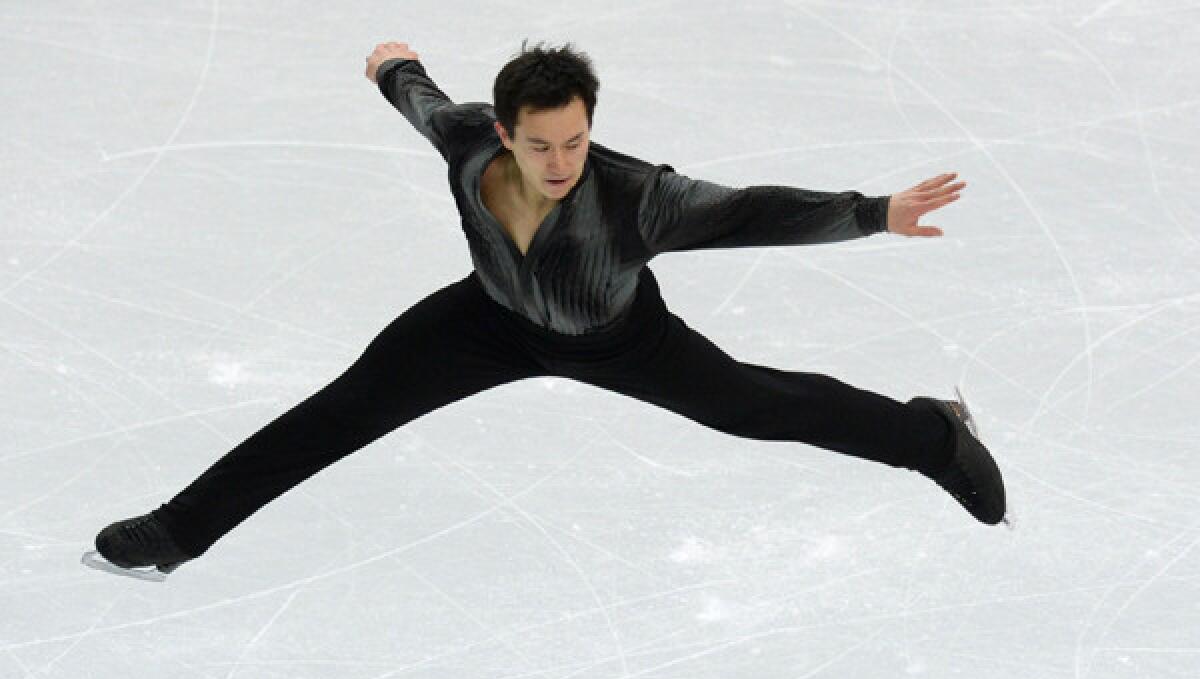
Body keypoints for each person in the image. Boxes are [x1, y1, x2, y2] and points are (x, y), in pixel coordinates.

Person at [89, 40, 1006, 581]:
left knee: (758, 407)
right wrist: (393, 65)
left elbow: (752, 208)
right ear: (503, 133)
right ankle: (176, 532)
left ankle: (933, 437)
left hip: (623, 338)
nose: (560, 159)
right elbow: (424, 102)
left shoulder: (637, 196)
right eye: (540, 143)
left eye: (575, 138)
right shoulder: (464, 144)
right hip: (485, 323)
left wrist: (871, 214)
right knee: (343, 411)